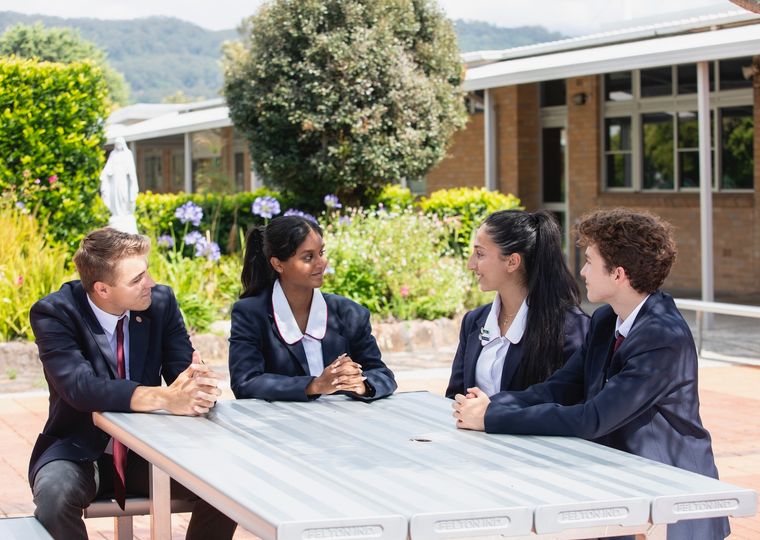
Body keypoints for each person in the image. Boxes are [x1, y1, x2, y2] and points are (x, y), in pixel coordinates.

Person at [453, 208, 729, 540]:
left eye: (589, 262)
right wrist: (490, 404)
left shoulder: (662, 337)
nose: (581, 271)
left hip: (672, 495)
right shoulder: (604, 321)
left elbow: (592, 418)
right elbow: (558, 387)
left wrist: (493, 418)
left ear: (618, 274)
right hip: (625, 488)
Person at [29, 228, 237, 540]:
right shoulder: (56, 313)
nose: (149, 283)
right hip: (78, 449)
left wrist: (198, 386)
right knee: (54, 499)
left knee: (227, 487)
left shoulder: (160, 303)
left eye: (147, 272)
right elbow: (80, 388)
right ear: (102, 289)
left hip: (150, 452)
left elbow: (183, 372)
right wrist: (165, 398)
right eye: (136, 279)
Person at [229, 215, 397, 401]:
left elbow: (382, 375)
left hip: (345, 423)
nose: (321, 263)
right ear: (278, 264)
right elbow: (245, 383)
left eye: (321, 253)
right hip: (281, 426)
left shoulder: (350, 313)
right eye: (308, 257)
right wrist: (314, 385)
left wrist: (361, 384)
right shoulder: (250, 313)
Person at [446, 210, 589, 399]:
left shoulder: (571, 329)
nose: (470, 264)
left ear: (512, 262)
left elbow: (567, 407)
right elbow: (453, 397)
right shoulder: (474, 321)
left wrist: (491, 413)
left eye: (479, 254)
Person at [100, 136, 139, 233]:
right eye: (117, 144)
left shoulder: (127, 154)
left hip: (124, 180)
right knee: (115, 197)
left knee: (124, 196)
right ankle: (117, 212)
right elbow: (108, 167)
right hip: (115, 179)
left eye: (120, 144)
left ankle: (125, 212)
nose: (118, 146)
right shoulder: (113, 154)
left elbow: (131, 169)